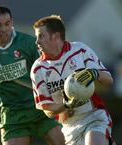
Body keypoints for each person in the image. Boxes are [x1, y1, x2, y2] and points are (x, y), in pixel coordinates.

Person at [0, 6, 65, 145]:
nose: (4, 29)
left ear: (11, 23)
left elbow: (49, 68)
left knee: (64, 142)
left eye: (7, 24)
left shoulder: (28, 42)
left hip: (40, 107)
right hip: (13, 116)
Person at [30, 15, 115, 145]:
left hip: (93, 116)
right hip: (70, 128)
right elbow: (48, 111)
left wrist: (95, 73)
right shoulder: (38, 69)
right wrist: (66, 105)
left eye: (41, 36)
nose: (37, 42)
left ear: (56, 36)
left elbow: (109, 81)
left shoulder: (80, 50)